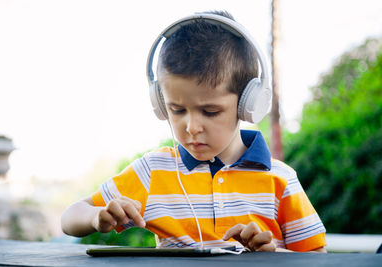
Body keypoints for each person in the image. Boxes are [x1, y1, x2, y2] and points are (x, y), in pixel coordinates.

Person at [61, 10, 327, 253]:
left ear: (248, 104)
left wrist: (274, 257)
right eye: (176, 110)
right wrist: (96, 217)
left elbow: (319, 258)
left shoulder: (280, 180)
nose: (191, 127)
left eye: (210, 112)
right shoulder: (154, 171)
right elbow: (70, 217)